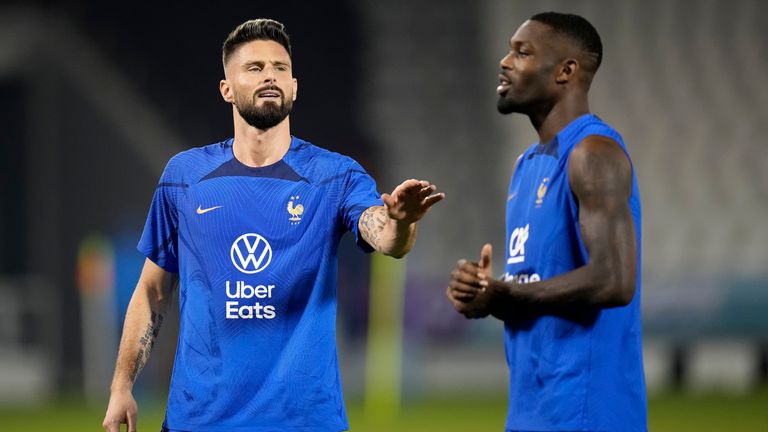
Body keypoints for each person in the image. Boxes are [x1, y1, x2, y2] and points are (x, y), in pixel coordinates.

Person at [102, 18, 444, 432]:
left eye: (280, 68)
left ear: (294, 87)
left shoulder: (335, 175)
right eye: (255, 67)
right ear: (226, 89)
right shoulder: (184, 176)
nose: (270, 76)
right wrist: (122, 386)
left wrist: (401, 221)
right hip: (200, 420)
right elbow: (153, 290)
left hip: (304, 421)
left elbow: (387, 239)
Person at [446, 12, 646, 432]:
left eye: (522, 52)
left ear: (566, 71)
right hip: (531, 408)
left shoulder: (593, 154)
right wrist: (487, 295)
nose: (504, 61)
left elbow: (614, 280)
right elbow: (537, 287)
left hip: (586, 412)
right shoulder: (527, 166)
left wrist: (507, 297)